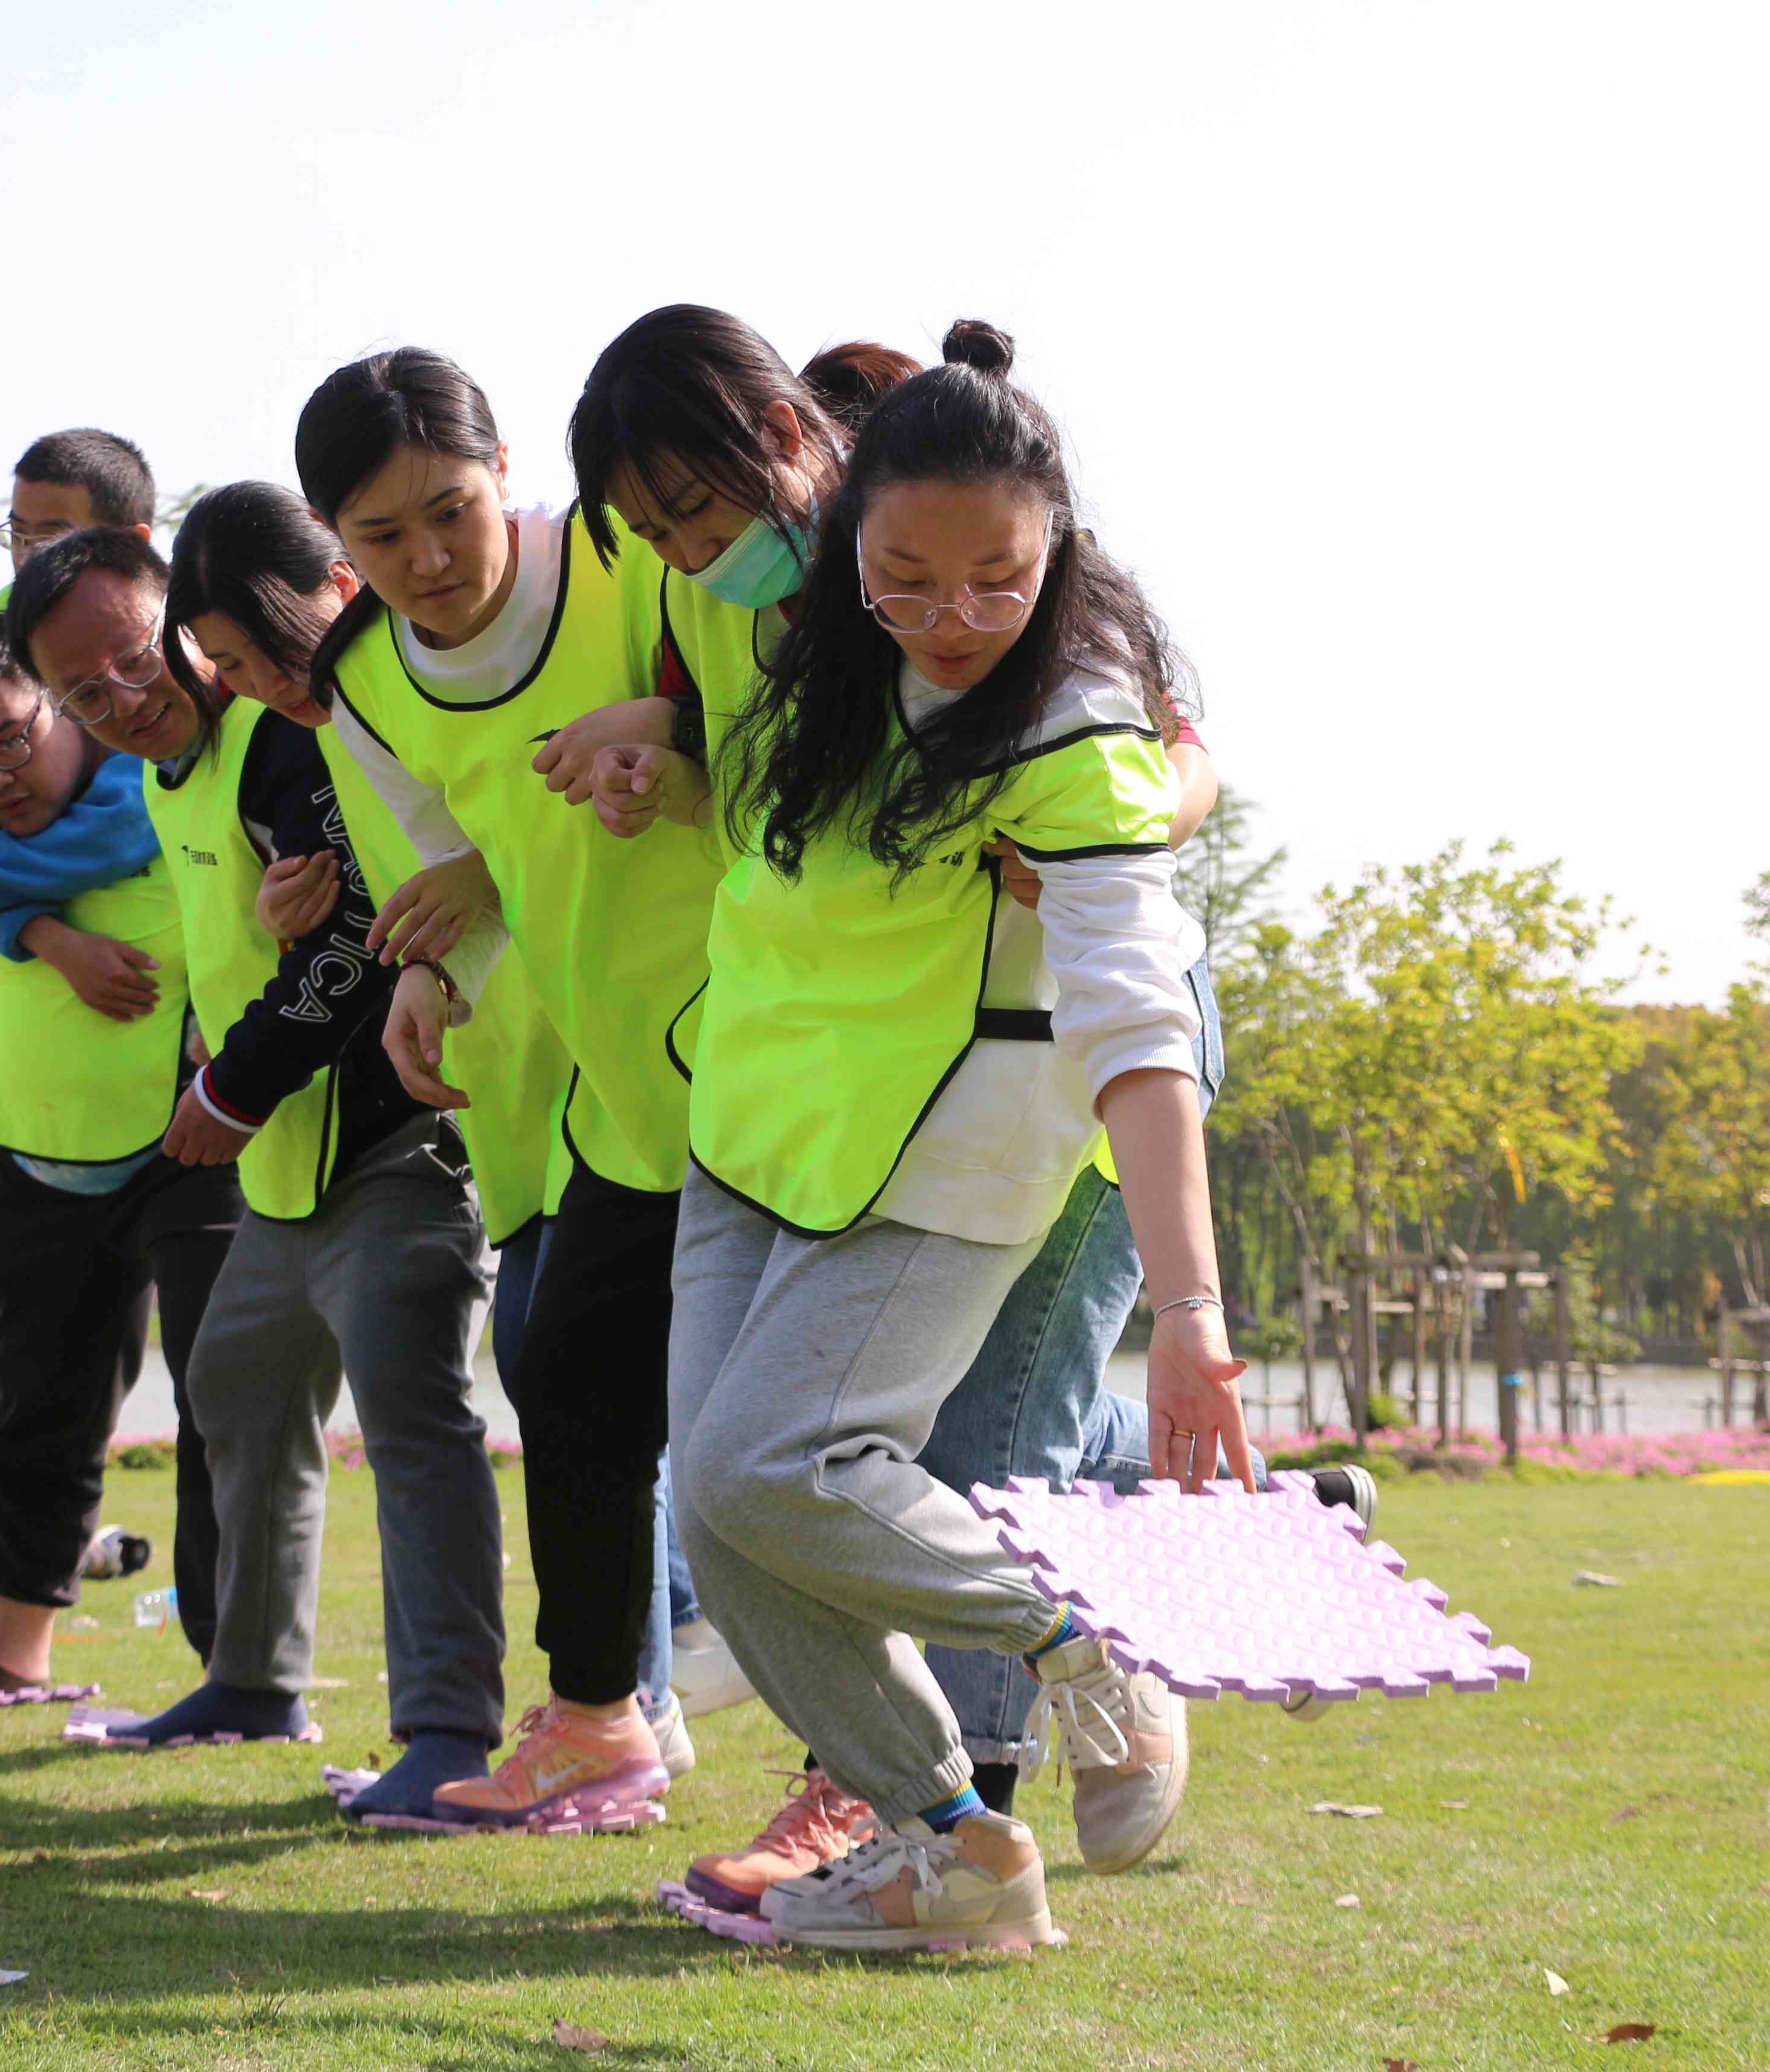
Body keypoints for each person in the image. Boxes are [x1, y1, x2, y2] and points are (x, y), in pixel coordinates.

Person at [566, 308, 1235, 1909]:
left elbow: (1137, 1016)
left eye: (1001, 579)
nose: (956, 616)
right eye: (913, 580)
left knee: (778, 1468)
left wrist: (1194, 1309)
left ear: (1055, 545)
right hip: (752, 1120)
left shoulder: (1073, 712)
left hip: (944, 1141)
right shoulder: (802, 640)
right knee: (726, 1521)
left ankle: (1085, 1638)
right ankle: (954, 1852)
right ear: (853, 541)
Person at [10, 508, 508, 1810]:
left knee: (417, 1426)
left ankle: (452, 1730)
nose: (117, 698)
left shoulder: (282, 735)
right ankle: (251, 1682)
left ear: (179, 624)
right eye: (78, 689)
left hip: (394, 1139)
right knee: (235, 1390)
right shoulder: (173, 780)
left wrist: (230, 1088)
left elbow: (353, 935)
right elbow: (252, 942)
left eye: (132, 658)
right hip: (281, 1179)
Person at [295, 347, 716, 1830]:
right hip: (602, 1074)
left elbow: (795, 733)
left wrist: (671, 743)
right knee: (569, 1367)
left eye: (449, 512)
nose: (425, 560)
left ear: (505, 472)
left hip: (774, 1041)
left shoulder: (636, 558)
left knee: (789, 1418)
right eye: (378, 536)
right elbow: (429, 861)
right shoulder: (352, 682)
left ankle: (690, 1729)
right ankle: (603, 1717)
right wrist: (430, 968)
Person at [0, 613, 240, 1705]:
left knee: (221, 1401)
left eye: (6, 740)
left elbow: (15, 875)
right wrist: (45, 937)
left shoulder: (168, 779)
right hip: (40, 1139)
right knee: (30, 1398)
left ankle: (237, 1665)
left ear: (49, 694)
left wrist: (10, 911)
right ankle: (13, 1651)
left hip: (199, 1129)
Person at [0, 427, 156, 613]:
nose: (25, 560)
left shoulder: (181, 635)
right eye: (18, 534)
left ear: (133, 545)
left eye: (50, 542)